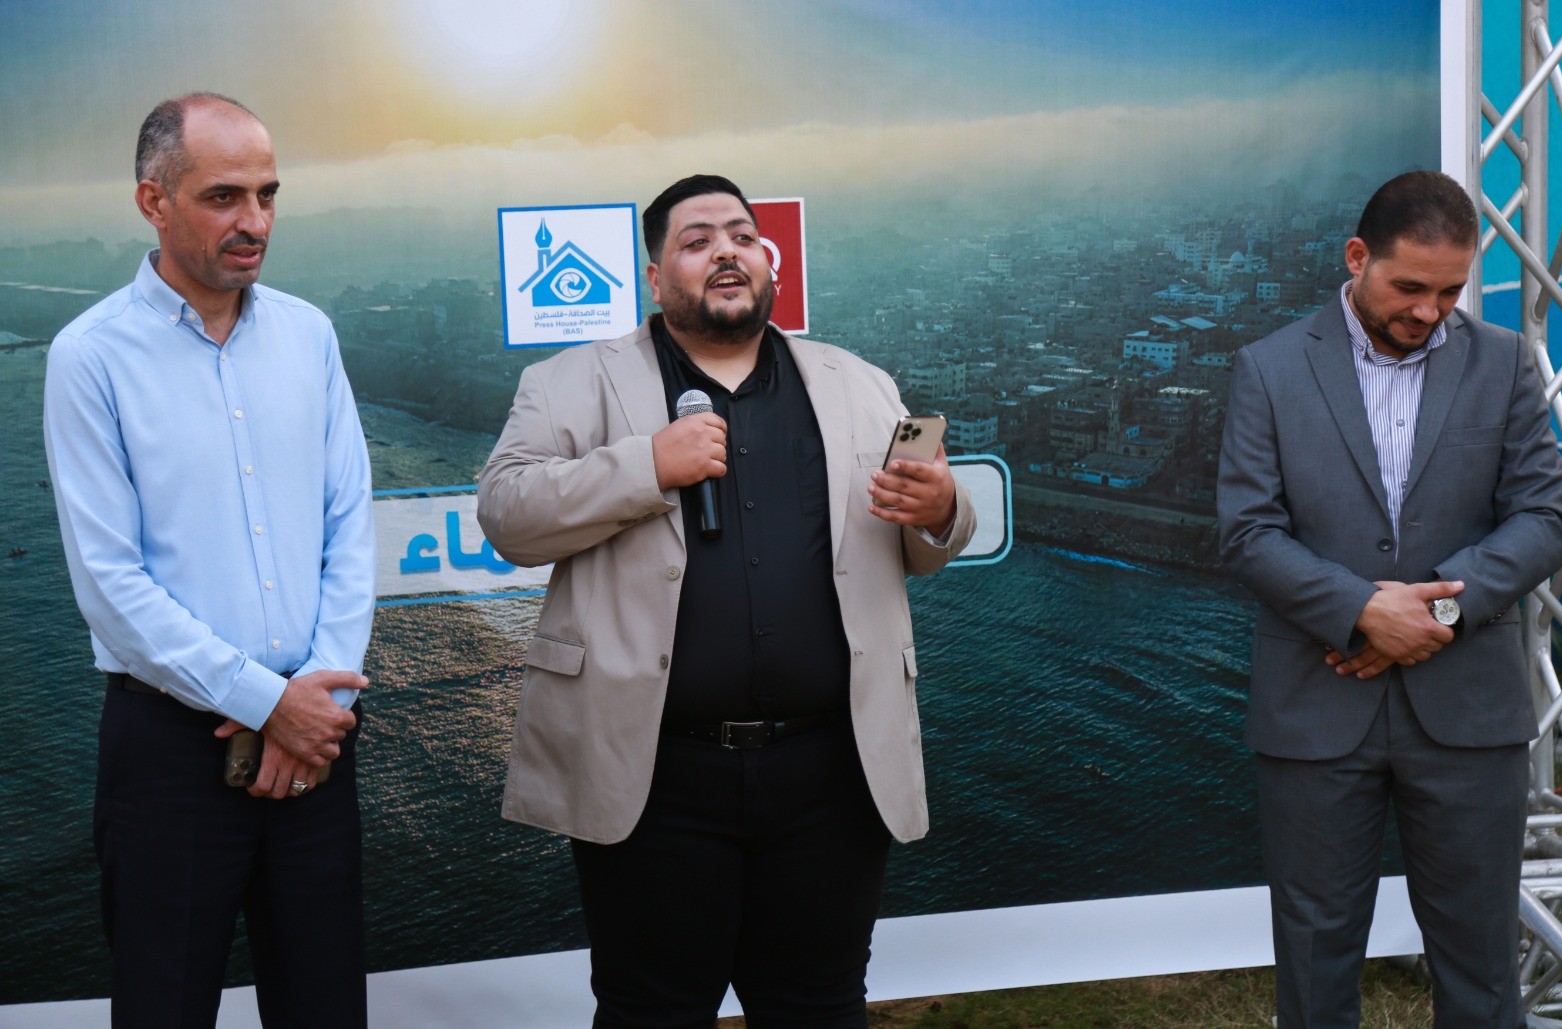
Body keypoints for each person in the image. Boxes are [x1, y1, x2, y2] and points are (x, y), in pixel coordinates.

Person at [478, 173, 976, 1026]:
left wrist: (940, 509)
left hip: (832, 773)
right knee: (651, 1010)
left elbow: (930, 542)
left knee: (819, 1006)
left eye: (743, 237)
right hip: (655, 777)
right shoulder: (569, 382)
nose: (726, 253)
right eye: (698, 240)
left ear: (768, 260)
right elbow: (507, 514)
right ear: (653, 275)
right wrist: (648, 464)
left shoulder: (857, 383)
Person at [43, 92, 375, 1027]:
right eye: (224, 196)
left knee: (325, 1009)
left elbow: (349, 525)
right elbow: (110, 586)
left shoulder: (310, 335)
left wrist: (312, 703)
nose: (255, 221)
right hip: (170, 757)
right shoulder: (89, 357)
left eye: (268, 194)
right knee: (165, 1007)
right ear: (153, 201)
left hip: (319, 737)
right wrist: (266, 702)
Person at [1217, 170, 1562, 1028]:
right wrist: (1362, 610)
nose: (1429, 311)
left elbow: (1544, 518)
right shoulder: (1269, 368)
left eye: (1450, 291)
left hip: (1468, 714)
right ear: (1357, 257)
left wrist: (1432, 616)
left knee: (1482, 968)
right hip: (1314, 711)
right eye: (1410, 286)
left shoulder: (1503, 362)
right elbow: (1247, 531)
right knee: (1314, 965)